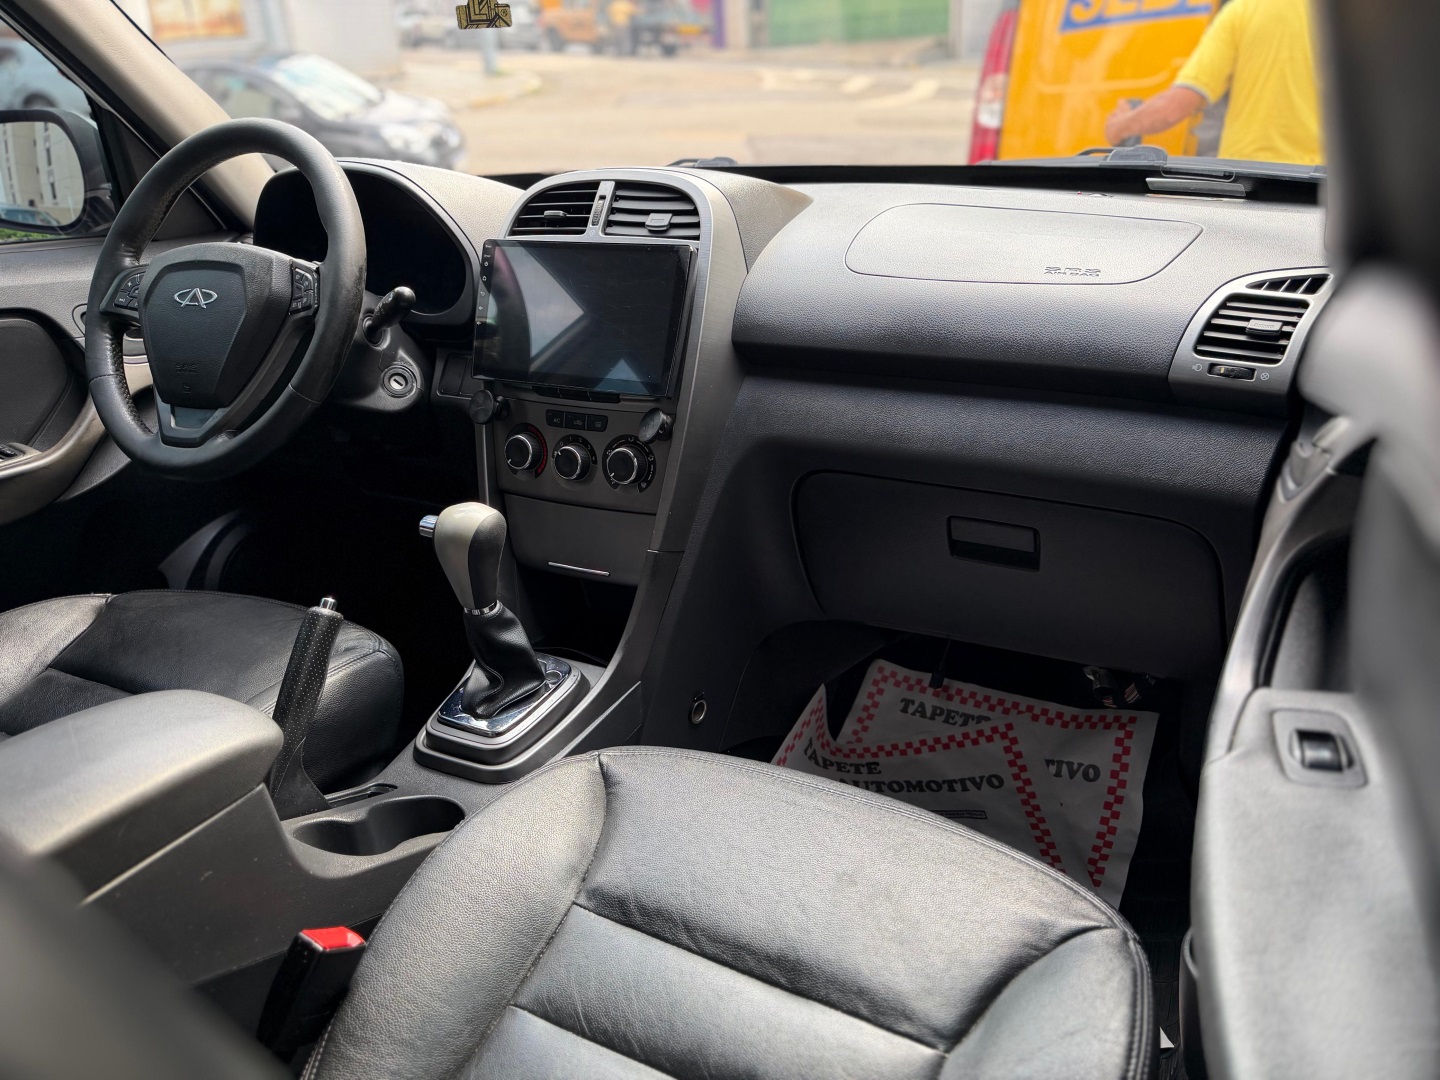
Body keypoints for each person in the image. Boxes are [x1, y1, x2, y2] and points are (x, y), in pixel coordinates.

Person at [1103, 0, 1323, 166]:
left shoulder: (1244, 11)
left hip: (1250, 175)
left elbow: (1175, 107)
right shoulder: (1338, 17)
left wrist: (1120, 126)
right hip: (1319, 180)